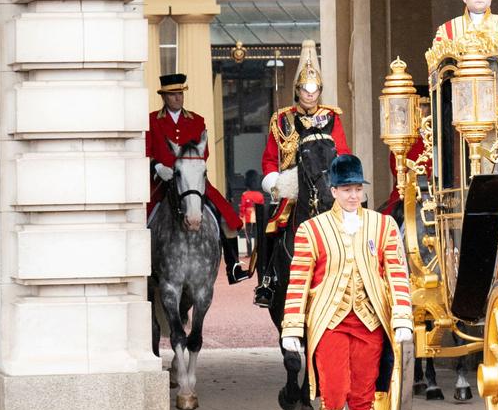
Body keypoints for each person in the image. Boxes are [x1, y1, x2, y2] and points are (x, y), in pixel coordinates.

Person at [279, 155, 413, 410]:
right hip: (330, 322)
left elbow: (396, 275)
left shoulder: (383, 226)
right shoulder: (312, 230)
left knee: (363, 397)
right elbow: (299, 281)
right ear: (333, 191)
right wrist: (293, 328)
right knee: (335, 393)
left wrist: (401, 318)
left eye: (357, 189)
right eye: (346, 189)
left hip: (369, 323)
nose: (352, 195)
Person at [254, 41, 350, 309]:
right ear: (297, 91)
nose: (311, 94)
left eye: (315, 89)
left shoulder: (331, 116)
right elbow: (270, 159)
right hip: (292, 187)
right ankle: (268, 279)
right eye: (306, 90)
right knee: (272, 223)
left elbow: (341, 151)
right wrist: (275, 182)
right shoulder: (282, 119)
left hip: (326, 184)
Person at [146, 72, 245, 283]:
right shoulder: (152, 121)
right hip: (162, 181)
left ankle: (233, 265)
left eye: (180, 93)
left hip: (192, 181)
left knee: (225, 213)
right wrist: (157, 166)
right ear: (163, 96)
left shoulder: (197, 120)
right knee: (142, 219)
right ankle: (143, 267)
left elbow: (204, 152)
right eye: (173, 95)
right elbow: (145, 151)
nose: (178, 98)